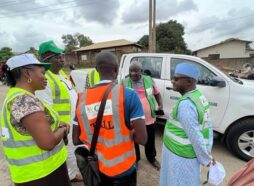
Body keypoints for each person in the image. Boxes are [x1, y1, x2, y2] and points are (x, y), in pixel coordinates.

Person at [73, 51, 147, 186]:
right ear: (116, 69)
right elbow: (142, 139)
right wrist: (128, 132)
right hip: (124, 169)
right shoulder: (128, 94)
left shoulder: (81, 99)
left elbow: (76, 139)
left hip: (97, 167)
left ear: (97, 70)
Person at [0, 54, 70, 186]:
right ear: (27, 73)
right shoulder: (23, 100)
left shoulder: (19, 96)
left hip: (39, 172)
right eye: (42, 73)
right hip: (42, 175)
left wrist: (54, 124)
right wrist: (63, 128)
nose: (45, 77)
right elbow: (47, 143)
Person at [160, 63, 215, 186]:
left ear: (189, 81)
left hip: (181, 157)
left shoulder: (186, 104)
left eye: (176, 78)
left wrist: (206, 159)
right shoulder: (198, 96)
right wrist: (208, 152)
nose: (172, 81)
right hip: (180, 153)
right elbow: (208, 127)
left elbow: (195, 136)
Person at [35, 40, 82, 182]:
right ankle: (69, 177)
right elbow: (46, 109)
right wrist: (59, 128)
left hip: (72, 122)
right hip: (61, 127)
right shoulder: (45, 80)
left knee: (73, 151)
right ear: (47, 60)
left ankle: (72, 174)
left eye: (62, 55)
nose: (62, 58)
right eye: (58, 56)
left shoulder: (61, 74)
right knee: (67, 153)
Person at [121, 61, 163, 170]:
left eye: (136, 70)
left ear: (141, 70)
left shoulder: (148, 80)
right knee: (134, 139)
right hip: (132, 119)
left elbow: (157, 93)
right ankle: (136, 159)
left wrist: (160, 105)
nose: (134, 73)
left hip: (149, 118)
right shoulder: (123, 82)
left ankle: (151, 158)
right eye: (131, 70)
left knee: (150, 138)